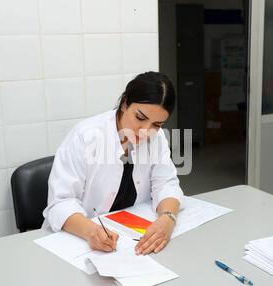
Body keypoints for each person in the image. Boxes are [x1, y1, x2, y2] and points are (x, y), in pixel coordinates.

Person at [42, 71, 183, 255]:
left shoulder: (156, 139)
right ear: (125, 103)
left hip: (128, 239)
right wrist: (91, 231)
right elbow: (60, 203)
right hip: (77, 242)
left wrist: (168, 218)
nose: (146, 131)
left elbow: (166, 183)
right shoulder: (86, 136)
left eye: (156, 125)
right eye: (140, 118)